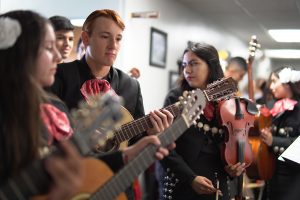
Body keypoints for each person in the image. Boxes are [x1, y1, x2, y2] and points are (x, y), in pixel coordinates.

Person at [0, 10, 174, 200]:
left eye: (118, 38)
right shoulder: (59, 78)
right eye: (49, 47)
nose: (59, 56)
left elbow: (66, 161)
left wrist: (130, 152)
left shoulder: (56, 106)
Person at [158, 43, 245, 200]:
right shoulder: (176, 97)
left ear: (211, 66)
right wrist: (190, 178)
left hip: (219, 185)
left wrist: (234, 168)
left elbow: (234, 145)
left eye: (194, 64)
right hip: (182, 184)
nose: (187, 70)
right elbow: (163, 147)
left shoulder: (228, 101)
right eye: (184, 65)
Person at [260, 66, 300, 200]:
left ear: (287, 84)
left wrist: (274, 141)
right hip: (272, 174)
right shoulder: (273, 106)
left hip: (293, 178)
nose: (271, 86)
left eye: (274, 81)